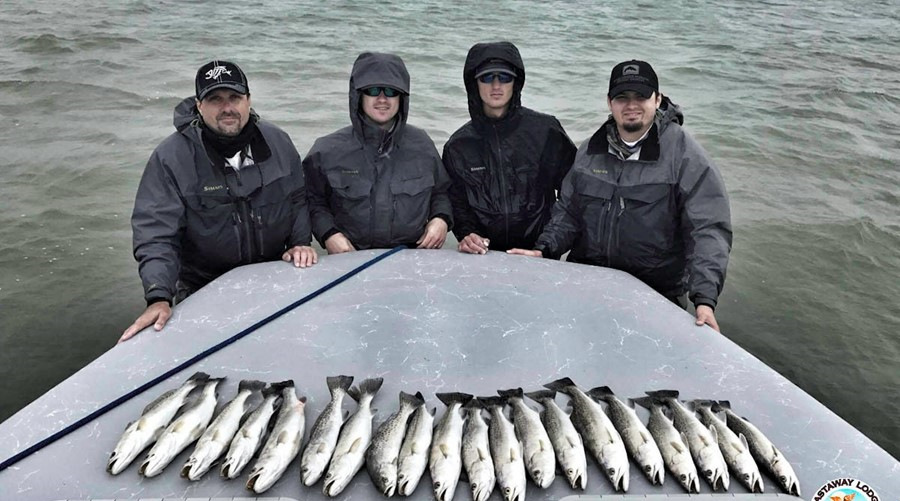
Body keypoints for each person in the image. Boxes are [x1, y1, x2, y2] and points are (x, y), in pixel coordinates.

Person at [509, 60, 732, 332]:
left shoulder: (685, 155)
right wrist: (544, 250)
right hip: (588, 283)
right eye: (622, 98)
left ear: (658, 99)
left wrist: (704, 299)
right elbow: (568, 211)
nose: (631, 105)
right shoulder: (591, 149)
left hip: (655, 293)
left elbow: (708, 230)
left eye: (641, 96)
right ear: (609, 102)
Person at [121, 60, 318, 342]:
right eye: (215, 99)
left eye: (235, 98)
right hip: (204, 286)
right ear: (199, 106)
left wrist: (300, 242)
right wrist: (158, 295)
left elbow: (297, 196)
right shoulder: (171, 158)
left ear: (248, 101)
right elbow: (156, 233)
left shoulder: (278, 141)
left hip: (274, 274)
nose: (227, 108)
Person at [303, 52, 452, 253]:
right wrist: (329, 234)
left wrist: (441, 219)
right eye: (373, 90)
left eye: (391, 91)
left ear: (402, 97)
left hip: (411, 255)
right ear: (358, 95)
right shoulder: (327, 150)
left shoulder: (422, 144)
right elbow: (311, 200)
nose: (382, 99)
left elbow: (442, 193)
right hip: (351, 257)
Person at [442, 41, 576, 254]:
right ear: (473, 83)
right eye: (487, 78)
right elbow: (457, 204)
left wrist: (546, 246)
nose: (496, 86)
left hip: (539, 253)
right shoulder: (458, 146)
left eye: (504, 77)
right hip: (483, 256)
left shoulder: (546, 131)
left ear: (516, 82)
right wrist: (467, 235)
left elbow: (573, 196)